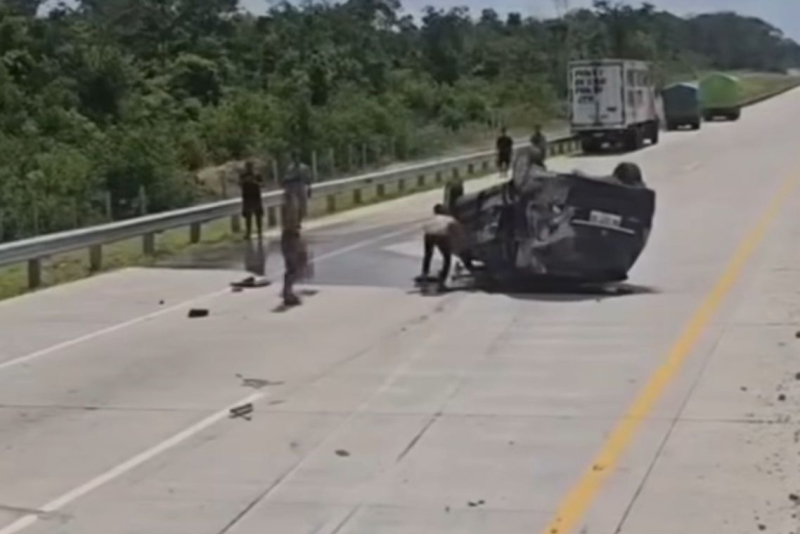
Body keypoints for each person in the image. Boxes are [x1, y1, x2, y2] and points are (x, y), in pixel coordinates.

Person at [418, 204, 462, 291]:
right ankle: (443, 278)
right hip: (441, 236)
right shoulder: (449, 219)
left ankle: (424, 274)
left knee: (428, 255)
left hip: (429, 234)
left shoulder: (432, 218)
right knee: (446, 257)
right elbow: (458, 229)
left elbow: (424, 226)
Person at [280, 201, 308, 307]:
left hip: (288, 237)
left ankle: (287, 291)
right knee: (294, 268)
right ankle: (287, 293)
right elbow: (291, 224)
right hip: (290, 238)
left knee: (292, 268)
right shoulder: (290, 208)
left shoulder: (287, 207)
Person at [282, 152, 313, 226]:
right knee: (294, 207)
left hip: (301, 187)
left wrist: (309, 188)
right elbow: (285, 179)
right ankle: (294, 222)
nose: (296, 159)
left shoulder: (304, 167)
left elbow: (308, 178)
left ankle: (299, 221)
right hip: (292, 188)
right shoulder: (289, 168)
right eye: (295, 157)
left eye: (297, 157)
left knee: (302, 207)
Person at [239, 161, 263, 240]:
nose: (249, 168)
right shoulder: (243, 175)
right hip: (247, 198)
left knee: (258, 216)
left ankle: (260, 232)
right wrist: (245, 181)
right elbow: (239, 183)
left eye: (250, 166)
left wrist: (254, 182)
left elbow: (262, 184)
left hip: (256, 197)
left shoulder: (257, 175)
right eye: (248, 166)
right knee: (248, 217)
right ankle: (248, 233)